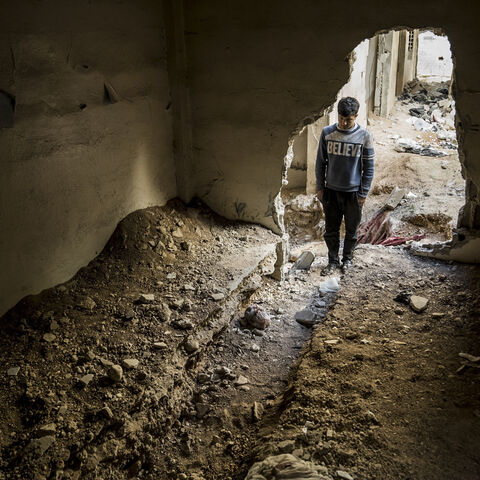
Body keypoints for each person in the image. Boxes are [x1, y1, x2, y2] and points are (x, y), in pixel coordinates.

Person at [315, 96, 374, 275]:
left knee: (351, 230)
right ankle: (332, 261)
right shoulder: (327, 133)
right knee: (331, 230)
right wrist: (320, 187)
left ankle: (347, 259)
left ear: (356, 116)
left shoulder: (364, 136)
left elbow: (369, 168)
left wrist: (363, 193)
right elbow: (320, 163)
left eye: (348, 119)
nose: (344, 122)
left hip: (353, 193)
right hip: (331, 192)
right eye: (341, 118)